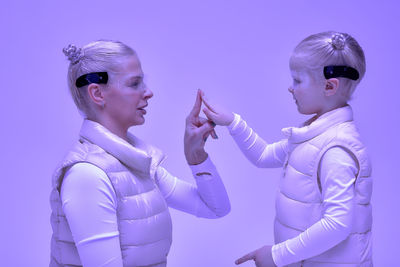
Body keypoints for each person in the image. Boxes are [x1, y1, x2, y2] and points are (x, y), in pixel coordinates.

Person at [49, 40, 231, 267]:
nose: (149, 92)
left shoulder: (138, 163)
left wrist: (196, 157)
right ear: (97, 93)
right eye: (134, 83)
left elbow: (215, 208)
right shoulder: (87, 175)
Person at [202, 31, 372, 266]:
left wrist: (276, 255)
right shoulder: (312, 138)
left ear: (330, 86)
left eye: (298, 80)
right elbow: (263, 155)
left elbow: (338, 224)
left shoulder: (335, 151)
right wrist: (233, 122)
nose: (291, 88)